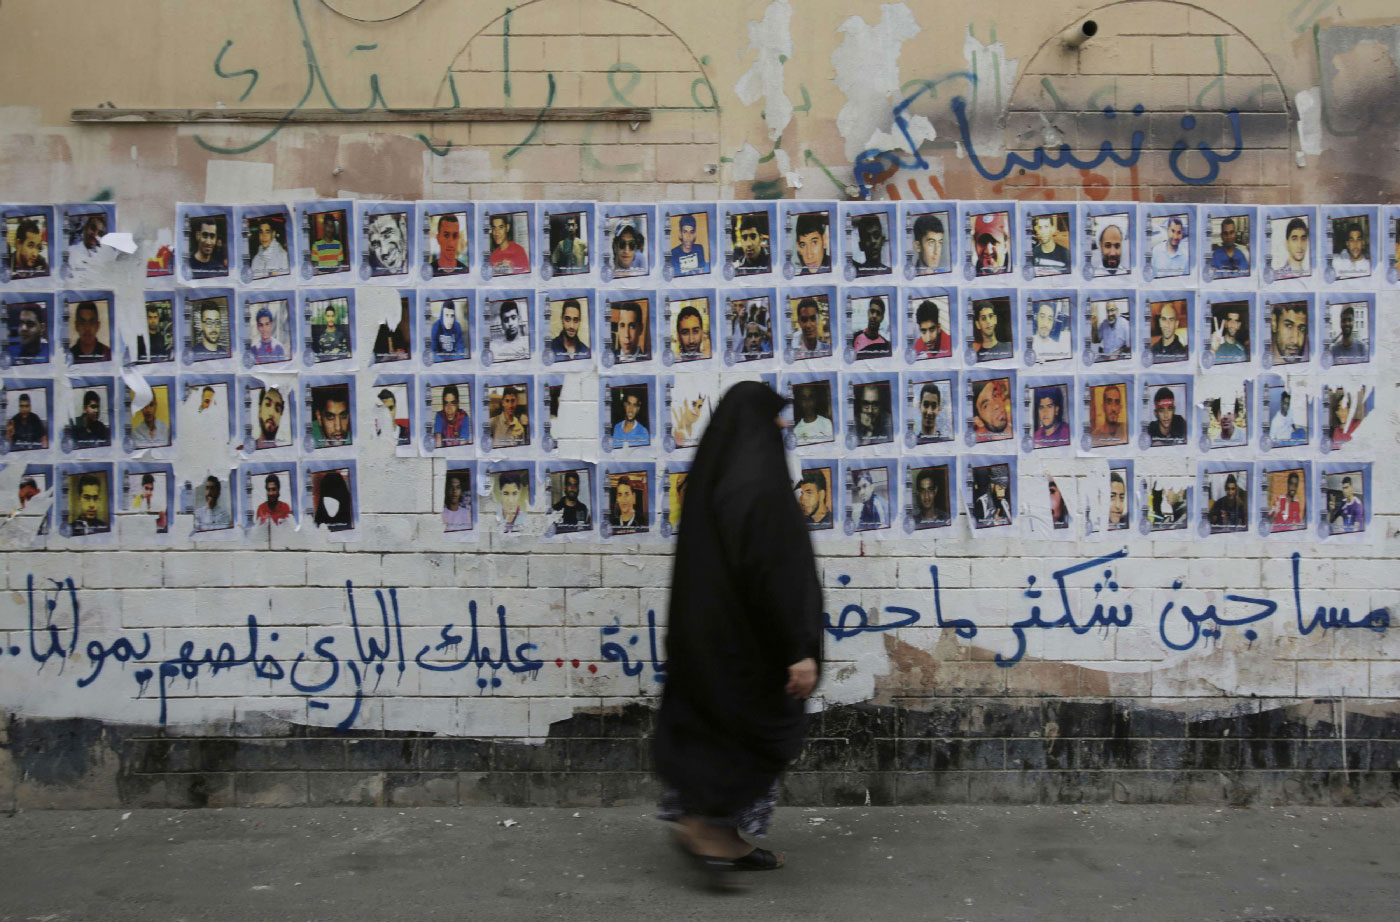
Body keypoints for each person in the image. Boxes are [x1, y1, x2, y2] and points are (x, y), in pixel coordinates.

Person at [654, 382, 819, 885]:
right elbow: (772, 570)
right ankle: (702, 829)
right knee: (753, 735)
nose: (785, 425)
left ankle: (719, 835)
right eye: (776, 418)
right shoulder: (756, 486)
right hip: (751, 648)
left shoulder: (717, 474)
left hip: (711, 643)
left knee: (715, 734)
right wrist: (797, 650)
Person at [433, 383, 469, 448]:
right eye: (446, 403)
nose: (449, 409)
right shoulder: (439, 416)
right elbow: (438, 444)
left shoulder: (464, 417)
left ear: (458, 404)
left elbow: (463, 446)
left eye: (453, 403)